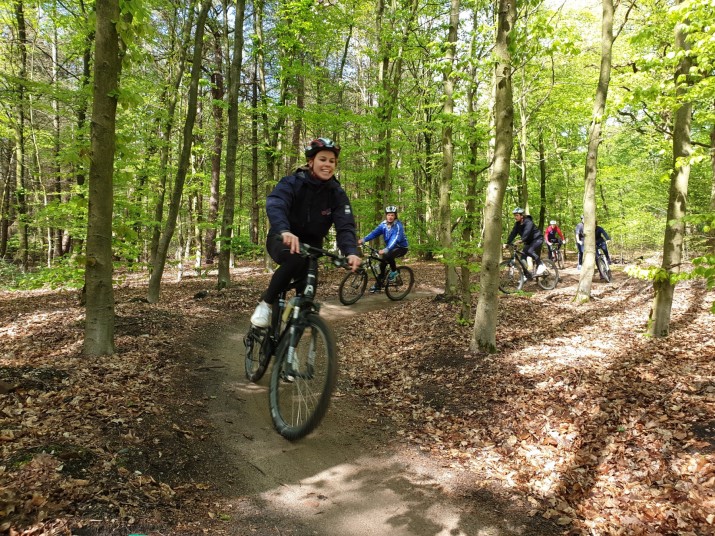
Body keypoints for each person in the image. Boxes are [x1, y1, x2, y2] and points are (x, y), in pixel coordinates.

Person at [250, 138, 361, 327]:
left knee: (307, 297)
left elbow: (345, 225)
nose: (327, 165)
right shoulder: (292, 182)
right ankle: (266, 303)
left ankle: (289, 346)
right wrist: (284, 230)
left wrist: (351, 251)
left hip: (312, 246)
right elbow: (276, 203)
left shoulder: (336, 193)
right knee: (294, 259)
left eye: (331, 161)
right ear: (311, 162)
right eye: (322, 159)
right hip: (282, 237)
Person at [358, 205, 409, 293]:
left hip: (401, 248)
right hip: (390, 247)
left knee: (388, 254)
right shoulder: (383, 225)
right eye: (388, 215)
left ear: (395, 216)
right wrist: (364, 239)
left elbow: (395, 239)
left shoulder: (398, 226)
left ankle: (394, 272)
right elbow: (374, 233)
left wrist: (386, 249)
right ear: (386, 215)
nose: (390, 217)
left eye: (392, 215)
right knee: (382, 265)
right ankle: (378, 285)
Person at [505, 207, 546, 277]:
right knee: (522, 258)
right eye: (514, 215)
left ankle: (541, 264)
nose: (515, 217)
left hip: (537, 238)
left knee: (530, 251)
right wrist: (508, 243)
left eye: (517, 215)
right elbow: (513, 233)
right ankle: (526, 275)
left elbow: (527, 232)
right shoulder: (517, 225)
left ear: (521, 216)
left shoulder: (528, 222)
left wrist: (521, 240)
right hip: (528, 241)